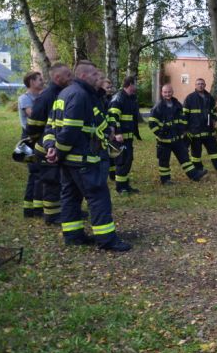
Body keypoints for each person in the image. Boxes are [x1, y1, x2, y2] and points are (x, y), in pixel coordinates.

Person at [44, 62, 131, 251]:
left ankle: (74, 235)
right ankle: (107, 240)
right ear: (83, 76)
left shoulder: (65, 93)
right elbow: (70, 130)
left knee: (71, 197)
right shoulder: (80, 95)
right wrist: (57, 150)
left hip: (69, 161)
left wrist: (51, 146)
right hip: (83, 159)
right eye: (94, 74)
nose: (97, 76)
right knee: (98, 197)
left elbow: (51, 124)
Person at [25, 63, 73, 225]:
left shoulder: (64, 93)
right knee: (51, 181)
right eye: (67, 75)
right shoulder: (47, 96)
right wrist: (44, 142)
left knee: (61, 181)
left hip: (58, 146)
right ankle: (52, 216)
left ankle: (64, 210)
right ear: (57, 78)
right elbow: (33, 125)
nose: (71, 77)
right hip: (46, 147)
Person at [149, 84, 207, 184]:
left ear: (172, 92)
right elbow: (152, 123)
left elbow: (183, 119)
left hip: (177, 138)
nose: (167, 94)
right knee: (164, 161)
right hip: (164, 141)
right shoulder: (158, 107)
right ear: (162, 93)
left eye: (169, 92)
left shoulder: (177, 104)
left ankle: (194, 175)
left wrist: (182, 130)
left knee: (185, 158)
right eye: (165, 92)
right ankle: (165, 179)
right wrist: (160, 134)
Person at [183, 78, 217, 172]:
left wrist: (214, 120)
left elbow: (214, 111)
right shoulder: (190, 98)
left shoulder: (210, 98)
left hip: (208, 130)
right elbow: (185, 115)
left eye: (202, 84)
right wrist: (186, 129)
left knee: (214, 151)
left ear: (205, 85)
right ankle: (198, 168)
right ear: (195, 85)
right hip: (195, 131)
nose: (200, 85)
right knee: (196, 153)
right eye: (198, 84)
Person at [107, 75, 142, 195]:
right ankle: (120, 188)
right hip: (119, 138)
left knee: (128, 160)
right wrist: (117, 132)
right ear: (131, 84)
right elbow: (113, 116)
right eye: (135, 84)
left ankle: (125, 185)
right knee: (121, 162)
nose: (136, 86)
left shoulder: (130, 97)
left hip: (127, 137)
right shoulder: (119, 98)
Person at [18, 71, 44, 217]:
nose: (42, 82)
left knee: (40, 173)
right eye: (40, 80)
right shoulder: (25, 98)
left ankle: (36, 207)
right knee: (35, 172)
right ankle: (30, 209)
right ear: (32, 82)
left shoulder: (40, 97)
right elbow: (33, 115)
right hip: (29, 139)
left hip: (39, 138)